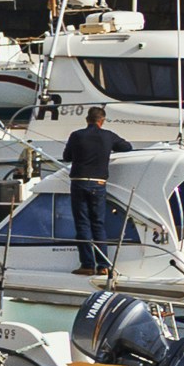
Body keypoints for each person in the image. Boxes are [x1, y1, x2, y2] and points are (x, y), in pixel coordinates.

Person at [64, 104, 121, 270]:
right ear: (102, 121)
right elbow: (127, 146)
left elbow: (66, 157)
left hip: (79, 181)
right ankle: (103, 265)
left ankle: (87, 265)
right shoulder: (108, 136)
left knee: (82, 223)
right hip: (99, 183)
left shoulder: (76, 135)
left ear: (87, 119)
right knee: (98, 223)